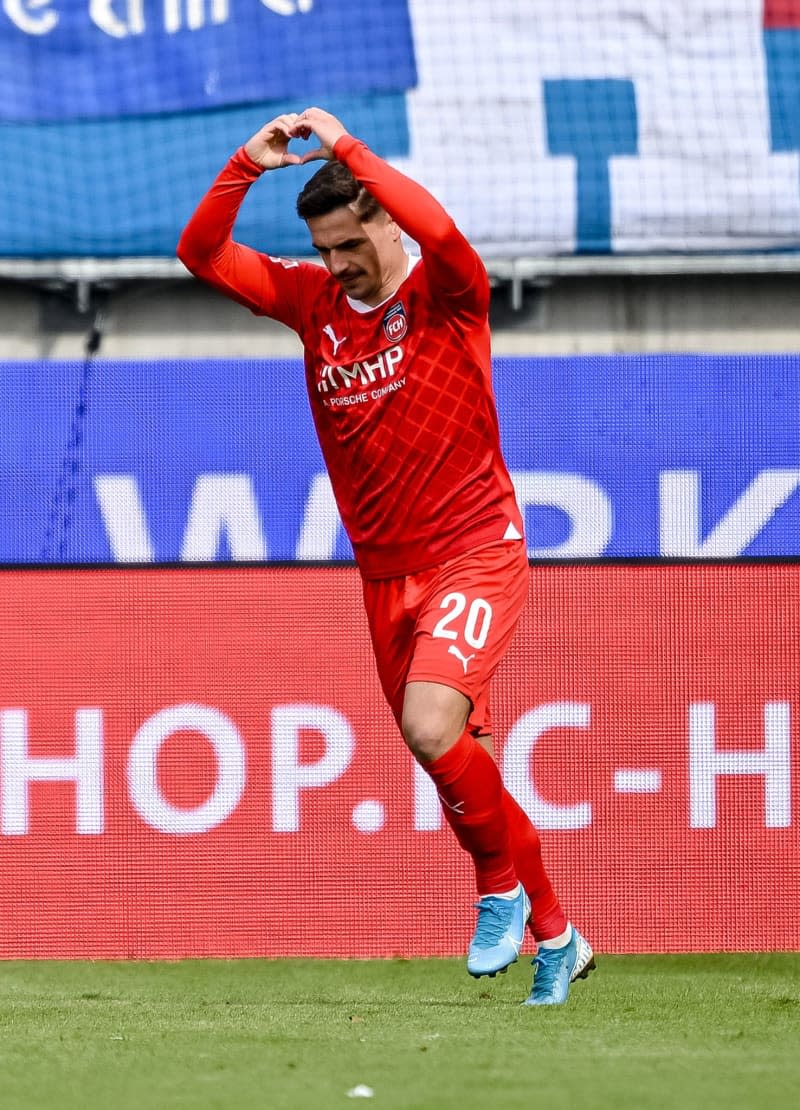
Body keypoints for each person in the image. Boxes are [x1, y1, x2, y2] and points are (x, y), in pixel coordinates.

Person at [177, 107, 594, 1005]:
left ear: (384, 223)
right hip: (383, 575)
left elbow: (441, 228)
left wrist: (350, 147)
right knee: (458, 757)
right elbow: (202, 253)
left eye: (348, 245)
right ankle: (556, 937)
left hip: (475, 549)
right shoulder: (312, 304)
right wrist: (246, 164)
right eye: (324, 250)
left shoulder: (446, 293)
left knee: (432, 726)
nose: (337, 265)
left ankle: (499, 891)